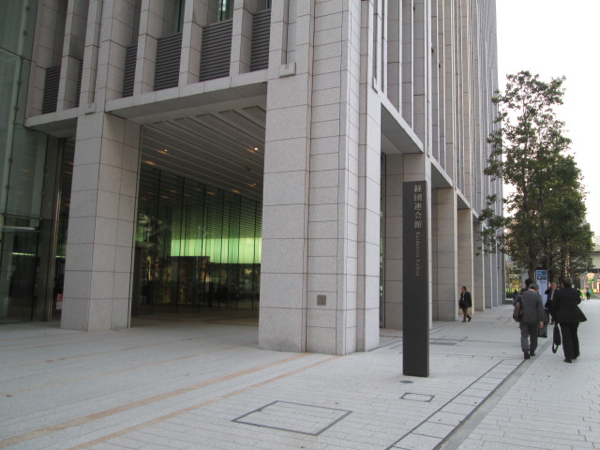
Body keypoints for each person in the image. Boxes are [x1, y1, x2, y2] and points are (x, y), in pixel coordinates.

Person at [551, 277, 587, 363]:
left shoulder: (558, 293)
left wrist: (554, 317)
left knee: (566, 336)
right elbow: (578, 301)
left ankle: (568, 356)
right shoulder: (575, 292)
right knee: (574, 334)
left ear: (563, 284)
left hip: (563, 316)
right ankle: (575, 353)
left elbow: (554, 306)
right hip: (575, 316)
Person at [519, 282, 545, 359]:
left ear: (529, 288)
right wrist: (541, 320)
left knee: (524, 335)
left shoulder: (522, 294)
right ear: (536, 289)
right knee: (534, 336)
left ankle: (525, 350)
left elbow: (515, 303)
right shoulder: (538, 296)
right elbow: (540, 309)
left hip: (523, 318)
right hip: (534, 319)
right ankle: (532, 350)